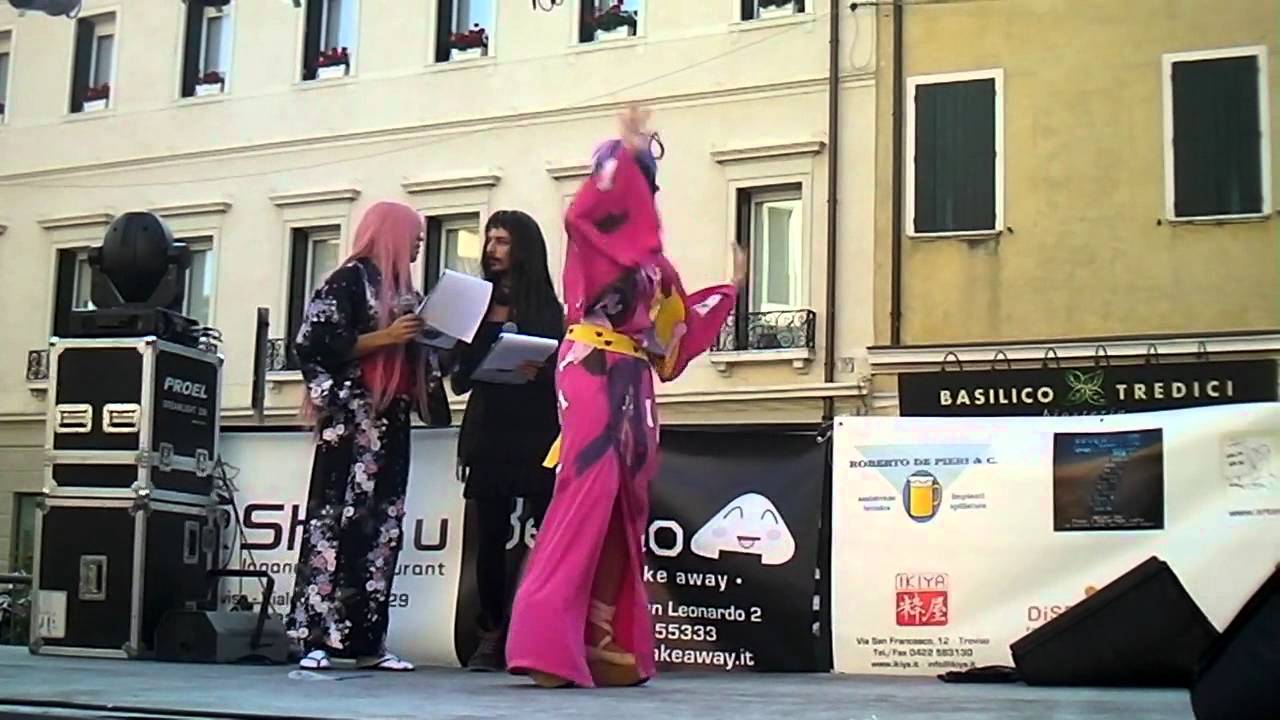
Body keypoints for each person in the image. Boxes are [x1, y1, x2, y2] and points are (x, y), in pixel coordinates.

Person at [504, 108, 746, 688]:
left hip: (635, 380)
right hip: (591, 366)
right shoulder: (594, 241)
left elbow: (672, 345)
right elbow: (581, 212)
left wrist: (731, 290)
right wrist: (624, 151)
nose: (642, 191)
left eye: (646, 181)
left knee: (626, 505)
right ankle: (543, 635)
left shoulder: (654, 269)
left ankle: (599, 634)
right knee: (590, 489)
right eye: (634, 179)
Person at [285, 200, 452, 672]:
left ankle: (367, 642)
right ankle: (313, 638)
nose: (419, 245)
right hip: (352, 417)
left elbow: (422, 364)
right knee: (333, 523)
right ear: (391, 235)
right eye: (414, 236)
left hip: (390, 418)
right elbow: (314, 343)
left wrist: (435, 341)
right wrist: (388, 337)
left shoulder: (406, 293)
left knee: (381, 530)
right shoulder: (348, 280)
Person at [451, 210, 564, 671]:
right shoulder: (474, 304)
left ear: (524, 248)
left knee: (546, 531)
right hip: (489, 429)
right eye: (490, 240)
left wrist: (540, 372)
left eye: (503, 241)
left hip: (536, 429)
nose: (492, 250)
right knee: (491, 536)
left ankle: (541, 628)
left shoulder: (550, 310)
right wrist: (480, 356)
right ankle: (492, 631)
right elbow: (458, 378)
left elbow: (565, 372)